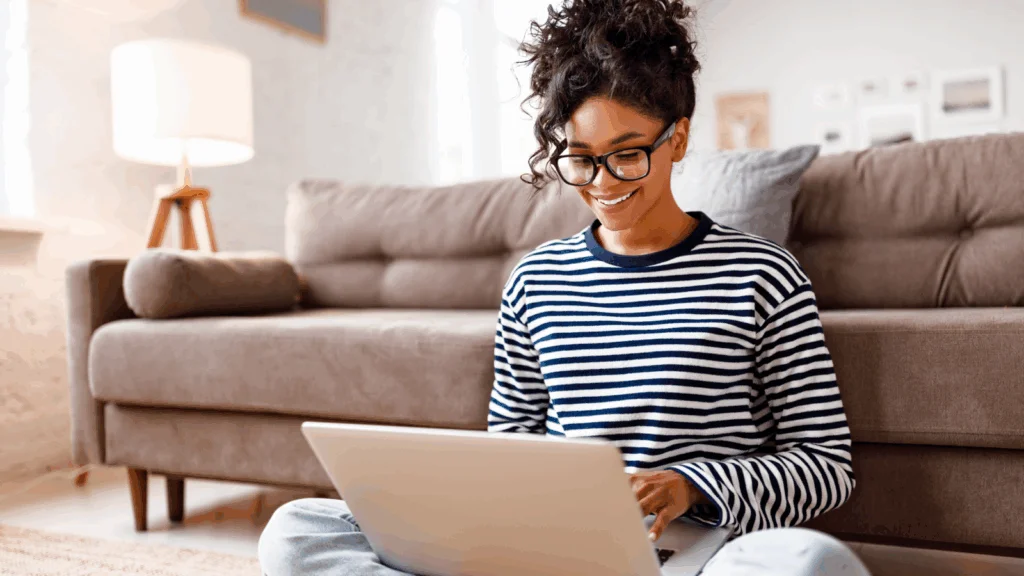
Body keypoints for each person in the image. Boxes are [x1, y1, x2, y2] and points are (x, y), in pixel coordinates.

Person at [259, 1, 864, 574]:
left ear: (677, 139)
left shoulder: (764, 273)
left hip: (699, 551)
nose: (603, 182)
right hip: (553, 548)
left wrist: (690, 486)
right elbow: (511, 445)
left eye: (628, 155)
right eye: (580, 158)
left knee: (809, 564)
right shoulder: (535, 279)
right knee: (297, 531)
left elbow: (826, 466)